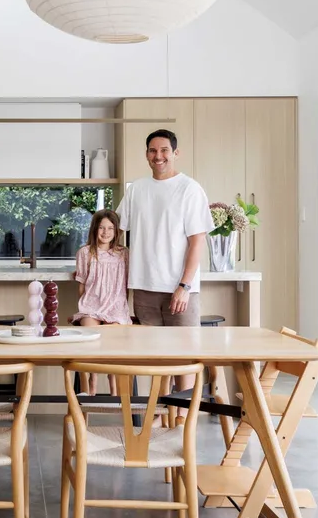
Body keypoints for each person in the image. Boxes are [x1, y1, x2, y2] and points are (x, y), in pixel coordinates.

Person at [116, 129, 213, 403]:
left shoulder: (190, 189)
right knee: (156, 359)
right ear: (146, 154)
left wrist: (184, 286)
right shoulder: (137, 189)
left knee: (183, 356)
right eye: (152, 151)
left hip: (179, 290)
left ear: (175, 153)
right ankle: (160, 413)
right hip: (145, 287)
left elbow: (197, 242)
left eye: (164, 151)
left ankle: (182, 416)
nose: (158, 156)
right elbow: (117, 230)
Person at [71, 209, 131, 395]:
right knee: (90, 335)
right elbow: (81, 286)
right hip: (91, 306)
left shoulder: (123, 254)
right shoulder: (85, 252)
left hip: (116, 307)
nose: (106, 232)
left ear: (116, 231)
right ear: (95, 229)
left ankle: (114, 389)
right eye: (102, 228)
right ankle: (92, 382)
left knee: (113, 343)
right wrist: (83, 309)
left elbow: (126, 285)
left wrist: (121, 307)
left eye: (110, 228)